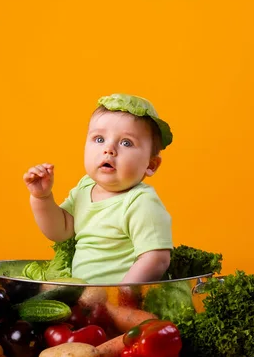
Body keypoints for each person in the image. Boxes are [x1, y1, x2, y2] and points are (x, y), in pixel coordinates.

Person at [23, 93, 174, 284]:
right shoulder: (85, 187)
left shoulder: (141, 201)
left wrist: (123, 293)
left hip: (120, 302)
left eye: (126, 142)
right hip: (82, 298)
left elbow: (156, 259)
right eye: (99, 139)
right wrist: (42, 198)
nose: (108, 149)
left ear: (151, 165)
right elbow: (60, 231)